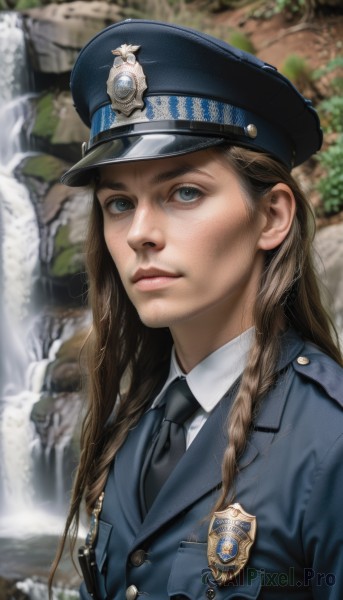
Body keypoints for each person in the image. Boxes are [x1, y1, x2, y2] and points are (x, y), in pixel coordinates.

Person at [50, 19, 343, 600]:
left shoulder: (330, 445)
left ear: (272, 217)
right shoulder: (131, 426)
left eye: (184, 192)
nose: (140, 234)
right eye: (117, 203)